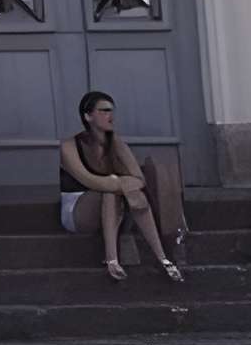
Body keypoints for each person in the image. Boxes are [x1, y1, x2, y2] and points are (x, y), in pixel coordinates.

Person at [60, 90, 183, 283]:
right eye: (104, 111)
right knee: (113, 191)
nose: (111, 116)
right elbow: (90, 181)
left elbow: (139, 179)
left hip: (115, 203)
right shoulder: (69, 146)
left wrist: (120, 183)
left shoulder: (116, 143)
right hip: (77, 209)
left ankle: (162, 258)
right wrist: (120, 182)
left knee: (129, 193)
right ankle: (112, 258)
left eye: (111, 111)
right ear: (88, 116)